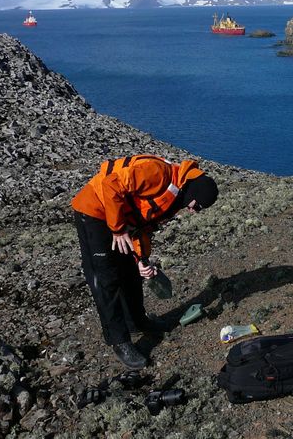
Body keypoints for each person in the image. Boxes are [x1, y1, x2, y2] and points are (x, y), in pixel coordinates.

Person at [72, 154, 218, 369]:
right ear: (195, 193)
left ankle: (137, 322)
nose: (193, 211)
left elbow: (142, 225)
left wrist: (141, 258)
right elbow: (110, 184)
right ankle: (119, 340)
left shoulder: (177, 195)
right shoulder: (157, 172)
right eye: (197, 207)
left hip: (117, 221)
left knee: (130, 272)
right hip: (95, 213)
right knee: (106, 278)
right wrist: (118, 229)